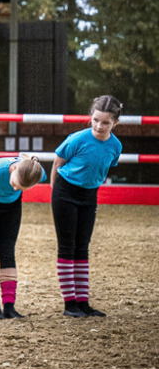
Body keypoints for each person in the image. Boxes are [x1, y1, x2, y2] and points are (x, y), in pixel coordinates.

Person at [51, 94, 123, 318]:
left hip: (89, 194)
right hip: (65, 191)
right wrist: (55, 194)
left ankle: (83, 302)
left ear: (115, 123)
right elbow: (57, 162)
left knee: (82, 247)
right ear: (90, 118)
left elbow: (104, 166)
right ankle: (69, 304)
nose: (99, 126)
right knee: (67, 246)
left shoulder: (115, 146)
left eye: (105, 122)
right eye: (95, 120)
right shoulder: (77, 139)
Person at [0, 155, 47, 319]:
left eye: (20, 188)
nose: (14, 188)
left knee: (7, 250)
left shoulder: (36, 172)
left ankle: (9, 306)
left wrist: (19, 188)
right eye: (14, 184)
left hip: (12, 206)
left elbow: (41, 173)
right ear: (12, 170)